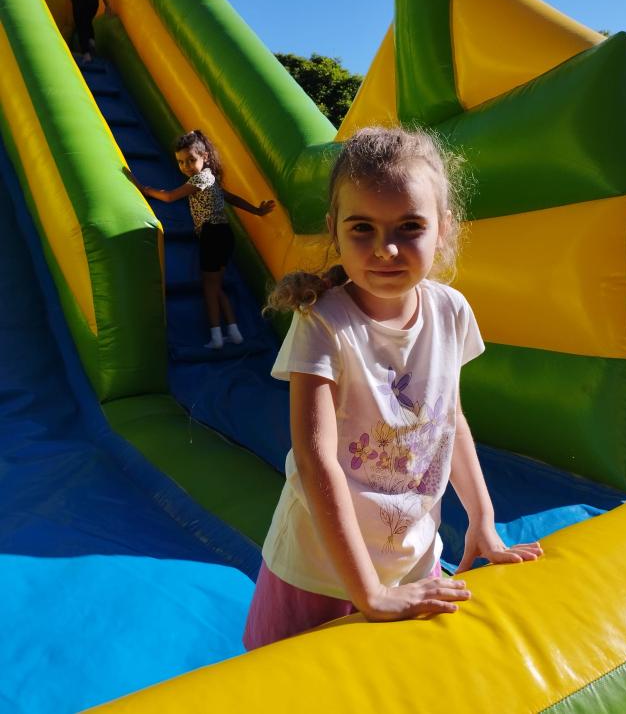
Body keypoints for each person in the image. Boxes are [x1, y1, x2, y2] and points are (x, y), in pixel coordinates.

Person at [243, 126, 542, 649]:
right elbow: (315, 460)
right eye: (363, 228)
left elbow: (449, 420)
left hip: (412, 561)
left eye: (410, 226)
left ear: (443, 229)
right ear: (334, 229)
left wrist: (483, 520)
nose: (386, 248)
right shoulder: (325, 323)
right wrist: (370, 594)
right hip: (318, 570)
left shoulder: (450, 311)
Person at [139, 129, 275, 348]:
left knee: (210, 288)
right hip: (224, 234)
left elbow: (170, 197)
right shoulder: (210, 177)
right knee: (216, 285)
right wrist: (256, 211)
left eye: (191, 160)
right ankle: (234, 332)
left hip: (212, 235)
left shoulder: (199, 179)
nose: (186, 166)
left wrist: (144, 189)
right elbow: (232, 198)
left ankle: (216, 337)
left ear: (205, 157)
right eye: (181, 162)